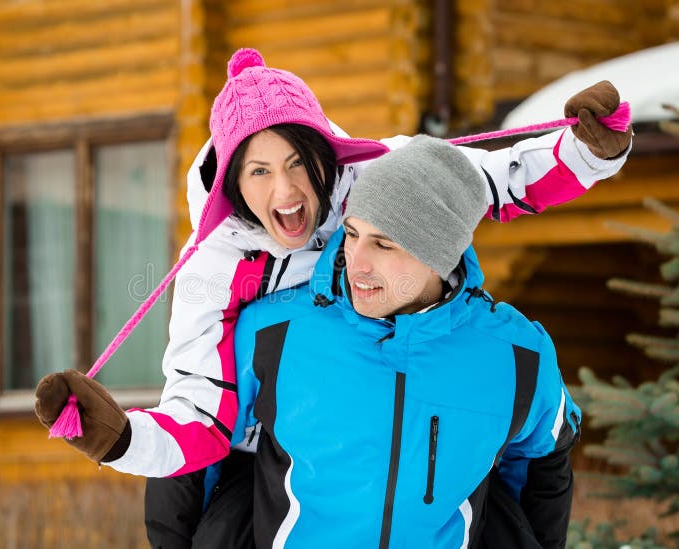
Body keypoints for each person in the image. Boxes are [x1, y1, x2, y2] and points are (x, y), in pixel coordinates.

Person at [34, 49, 629, 546]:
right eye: (259, 171)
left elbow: (491, 180)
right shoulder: (217, 271)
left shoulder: (377, 177)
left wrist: (586, 152)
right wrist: (121, 440)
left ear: (324, 157)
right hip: (271, 418)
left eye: (297, 162)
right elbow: (199, 413)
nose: (287, 189)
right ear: (234, 184)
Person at [226, 135, 579, 547]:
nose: (355, 262)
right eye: (353, 234)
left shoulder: (517, 356)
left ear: (438, 255)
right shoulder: (273, 331)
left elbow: (543, 459)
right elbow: (204, 457)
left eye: (383, 244)